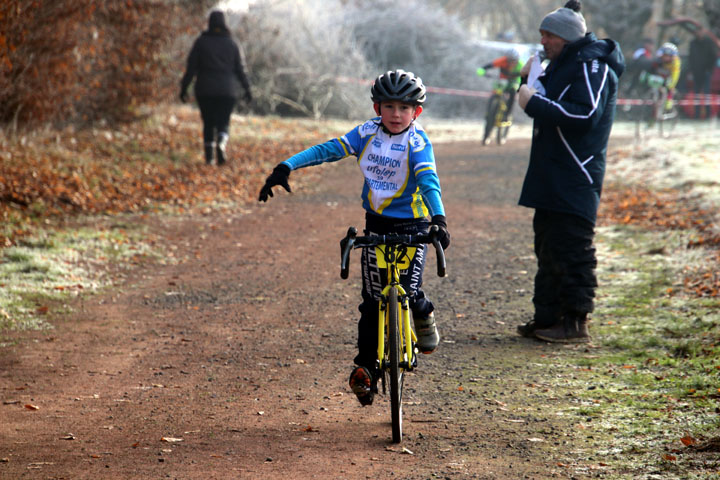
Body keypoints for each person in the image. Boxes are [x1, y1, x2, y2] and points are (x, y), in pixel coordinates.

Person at [257, 69, 451, 405]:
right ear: (377, 108)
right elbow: (329, 149)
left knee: (411, 289)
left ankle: (424, 313)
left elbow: (428, 180)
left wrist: (439, 219)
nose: (395, 114)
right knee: (372, 303)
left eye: (404, 108)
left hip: (414, 226)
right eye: (388, 106)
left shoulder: (417, 143)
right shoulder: (366, 133)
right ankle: (366, 370)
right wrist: (286, 166)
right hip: (376, 225)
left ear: (416, 113)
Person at [515, 0, 624, 343]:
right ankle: (547, 316)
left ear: (566, 37)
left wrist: (533, 102)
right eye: (542, 34)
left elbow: (583, 114)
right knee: (547, 246)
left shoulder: (594, 66)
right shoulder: (563, 63)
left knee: (573, 249)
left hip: (577, 176)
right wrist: (529, 81)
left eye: (549, 35)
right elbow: (553, 100)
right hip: (550, 174)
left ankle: (575, 323)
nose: (543, 40)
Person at [180, 10, 252, 166]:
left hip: (205, 90)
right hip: (227, 91)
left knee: (208, 122)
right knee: (223, 121)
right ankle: (221, 143)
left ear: (210, 23)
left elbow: (191, 68)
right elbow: (241, 69)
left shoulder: (201, 42)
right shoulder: (232, 44)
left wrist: (184, 88)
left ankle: (209, 158)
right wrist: (247, 90)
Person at [476, 49, 524, 144]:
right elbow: (489, 66)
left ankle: (508, 113)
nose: (510, 63)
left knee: (513, 91)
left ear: (517, 60)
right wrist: (482, 70)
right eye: (509, 60)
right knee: (495, 93)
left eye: (513, 61)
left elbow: (526, 75)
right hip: (502, 81)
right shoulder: (502, 61)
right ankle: (491, 109)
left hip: (513, 83)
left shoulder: (521, 65)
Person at [688, 29, 718, 119]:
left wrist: (709, 69)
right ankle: (696, 115)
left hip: (706, 72)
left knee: (706, 93)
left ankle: (708, 115)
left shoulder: (709, 43)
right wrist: (691, 70)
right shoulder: (693, 43)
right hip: (696, 72)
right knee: (696, 94)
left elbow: (713, 57)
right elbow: (691, 58)